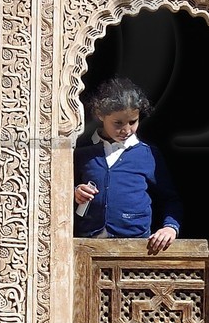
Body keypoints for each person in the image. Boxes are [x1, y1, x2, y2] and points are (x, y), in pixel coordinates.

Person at [73, 77, 182, 253]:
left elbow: (170, 199)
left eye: (133, 122)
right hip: (87, 245)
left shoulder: (147, 155)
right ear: (101, 115)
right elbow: (56, 190)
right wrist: (75, 192)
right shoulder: (82, 151)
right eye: (118, 123)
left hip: (136, 247)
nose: (126, 130)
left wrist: (170, 227)